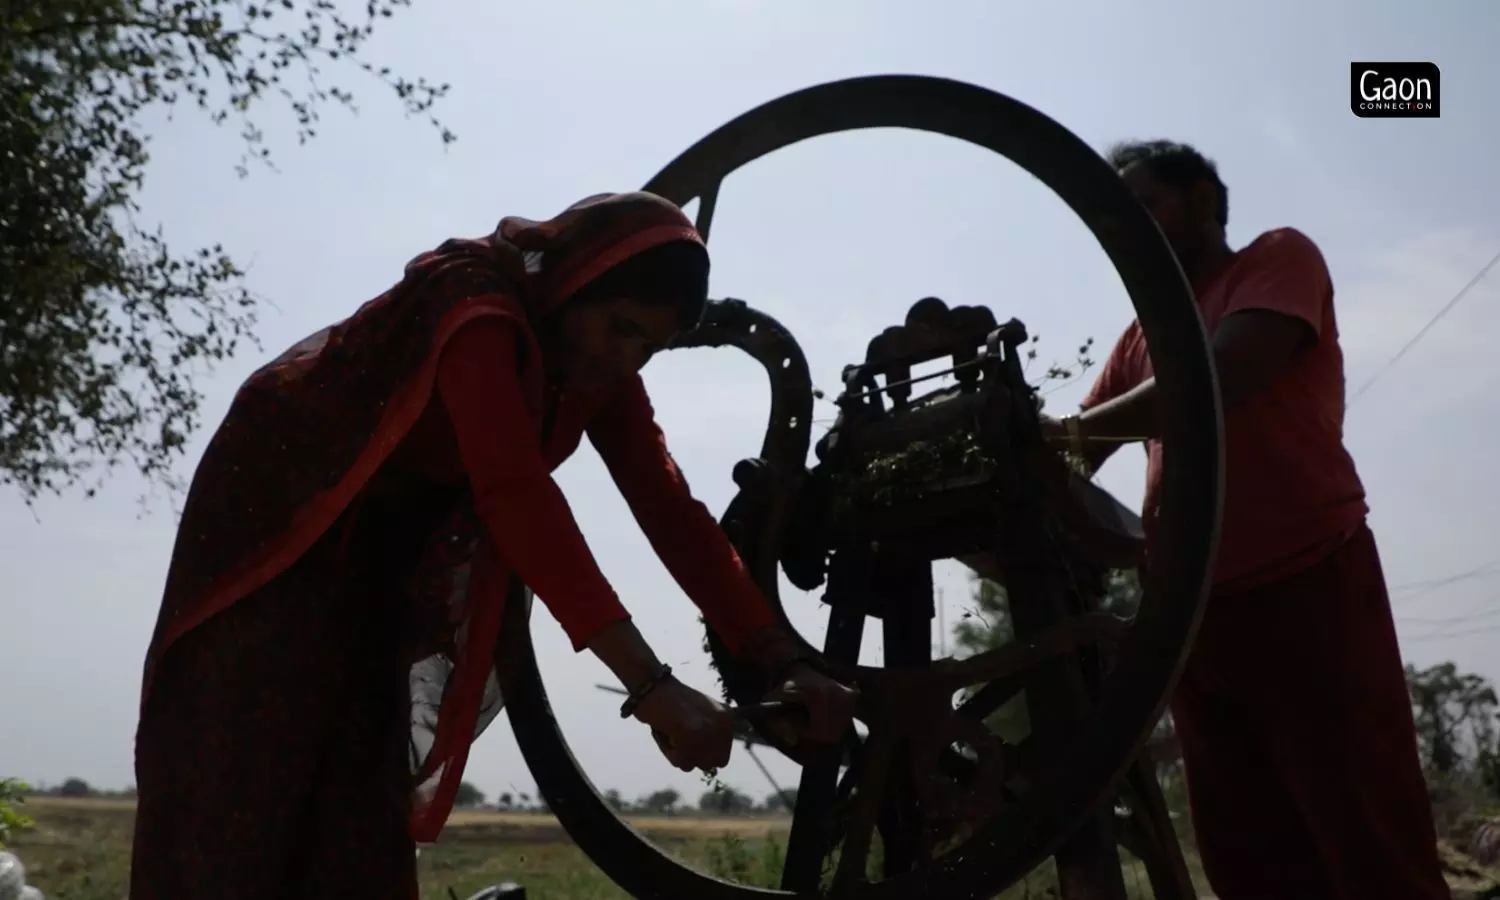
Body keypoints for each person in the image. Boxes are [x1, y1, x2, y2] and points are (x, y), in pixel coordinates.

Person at [130, 191, 858, 899]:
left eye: (648, 346)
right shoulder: (474, 311)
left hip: (377, 564)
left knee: (356, 789)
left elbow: (668, 508)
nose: (624, 358)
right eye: (620, 327)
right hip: (281, 536)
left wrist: (780, 655)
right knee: (245, 777)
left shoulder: (597, 369)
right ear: (577, 284)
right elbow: (516, 494)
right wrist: (650, 684)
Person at [1044, 141, 1451, 899]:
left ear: (1202, 202)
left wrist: (1063, 437)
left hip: (1310, 587)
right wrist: (1004, 462)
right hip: (1195, 621)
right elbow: (1073, 464)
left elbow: (1218, 375)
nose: (1124, 230)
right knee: (1248, 853)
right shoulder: (1140, 338)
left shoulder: (1276, 257)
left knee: (1364, 836)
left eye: (1144, 207)